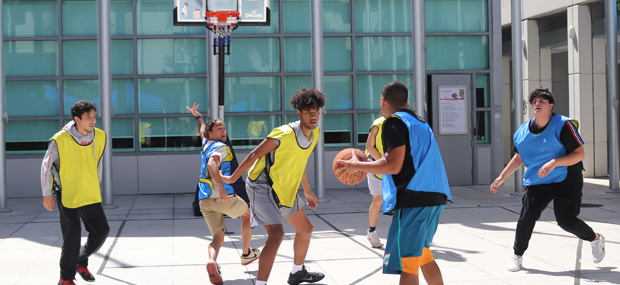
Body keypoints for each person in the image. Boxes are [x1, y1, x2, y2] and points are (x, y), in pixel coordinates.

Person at [337, 81, 452, 285]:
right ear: (406, 101)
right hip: (435, 196)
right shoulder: (420, 122)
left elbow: (393, 165)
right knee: (423, 254)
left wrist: (358, 166)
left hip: (414, 199)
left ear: (383, 101)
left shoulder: (393, 122)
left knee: (407, 263)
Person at [490, 88, 605, 272]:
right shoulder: (523, 131)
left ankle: (595, 239)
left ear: (550, 106)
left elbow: (579, 154)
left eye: (542, 101)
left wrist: (555, 162)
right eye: (534, 101)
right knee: (526, 217)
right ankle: (517, 255)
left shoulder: (563, 125)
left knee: (566, 222)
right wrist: (502, 177)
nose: (537, 103)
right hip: (539, 180)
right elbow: (520, 156)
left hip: (566, 178)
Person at [220, 87, 326, 285]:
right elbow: (254, 154)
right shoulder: (284, 133)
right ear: (299, 113)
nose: (313, 116)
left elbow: (299, 162)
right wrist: (233, 178)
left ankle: (297, 272)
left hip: (286, 187)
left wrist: (308, 190)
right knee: (276, 235)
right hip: (262, 186)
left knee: (306, 229)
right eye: (308, 112)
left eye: (316, 111)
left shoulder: (315, 134)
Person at [185, 104, 260, 285]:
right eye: (219, 128)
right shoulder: (221, 147)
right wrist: (224, 189)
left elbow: (202, 130)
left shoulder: (206, 142)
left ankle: (212, 262)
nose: (223, 131)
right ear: (212, 133)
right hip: (221, 196)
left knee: (217, 238)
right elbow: (212, 165)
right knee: (248, 216)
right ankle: (246, 253)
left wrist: (198, 117)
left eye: (224, 128)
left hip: (205, 201)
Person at [41, 100, 111, 285]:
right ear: (77, 119)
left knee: (102, 231)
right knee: (72, 237)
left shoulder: (100, 136)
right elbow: (46, 166)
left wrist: (97, 181)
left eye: (94, 116)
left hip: (90, 192)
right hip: (68, 195)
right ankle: (65, 278)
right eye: (88, 117)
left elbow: (98, 161)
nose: (93, 120)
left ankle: (81, 259)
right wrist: (47, 193)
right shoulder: (60, 139)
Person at [364, 115, 386, 248]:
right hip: (377, 166)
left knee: (401, 202)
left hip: (393, 167)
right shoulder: (378, 124)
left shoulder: (402, 121)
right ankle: (371, 231)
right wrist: (382, 163)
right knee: (377, 201)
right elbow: (369, 146)